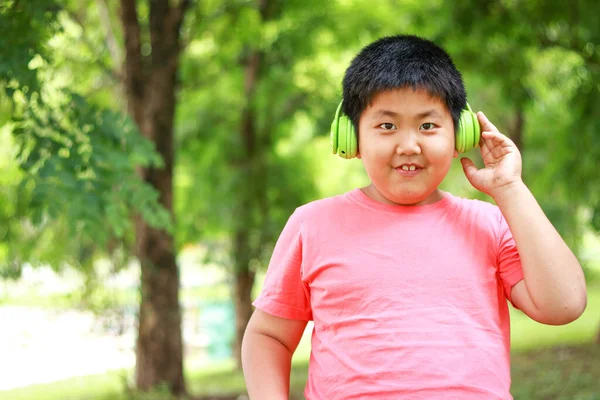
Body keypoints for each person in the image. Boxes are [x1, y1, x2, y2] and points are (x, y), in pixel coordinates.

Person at [241, 34, 587, 399]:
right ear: (350, 135)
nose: (409, 145)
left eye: (427, 125)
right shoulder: (311, 225)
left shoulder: (488, 224)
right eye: (387, 126)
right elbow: (269, 336)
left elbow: (563, 304)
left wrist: (510, 188)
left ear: (461, 133)